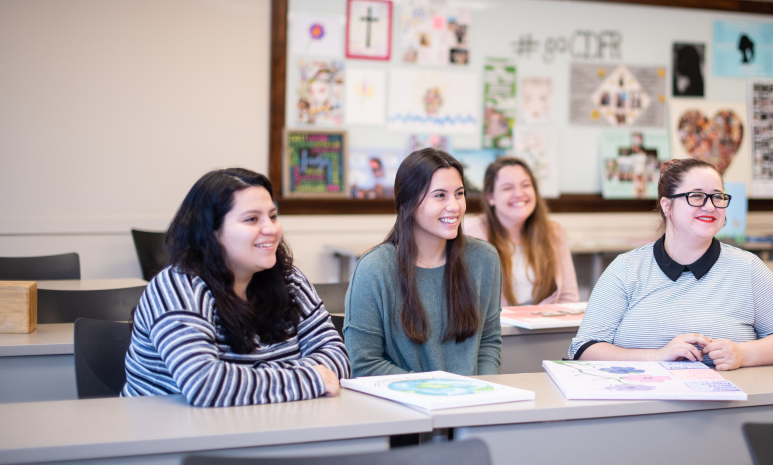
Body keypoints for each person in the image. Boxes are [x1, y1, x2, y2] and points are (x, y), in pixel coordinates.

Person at [122, 168, 349, 406]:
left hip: (267, 424)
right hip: (169, 436)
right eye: (252, 219)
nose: (271, 229)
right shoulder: (177, 286)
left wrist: (244, 379)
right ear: (211, 231)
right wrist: (311, 376)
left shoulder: (288, 278)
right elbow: (206, 385)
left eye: (272, 216)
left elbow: (338, 358)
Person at [569, 158, 773, 370]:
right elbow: (584, 348)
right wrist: (656, 356)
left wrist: (743, 354)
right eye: (696, 196)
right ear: (667, 206)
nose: (709, 206)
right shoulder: (626, 269)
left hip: (728, 409)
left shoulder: (748, 268)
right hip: (640, 408)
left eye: (717, 197)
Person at [344, 148, 502, 377]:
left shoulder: (485, 259)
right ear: (409, 202)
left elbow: (488, 343)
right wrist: (433, 392)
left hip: (474, 404)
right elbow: (363, 363)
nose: (454, 206)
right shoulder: (374, 269)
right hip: (404, 406)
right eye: (440, 195)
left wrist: (486, 390)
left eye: (459, 193)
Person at [464, 157, 579, 307]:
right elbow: (465, 304)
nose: (519, 194)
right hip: (495, 328)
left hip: (543, 327)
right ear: (490, 197)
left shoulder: (553, 233)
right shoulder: (470, 234)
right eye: (507, 188)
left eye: (526, 185)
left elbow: (568, 298)